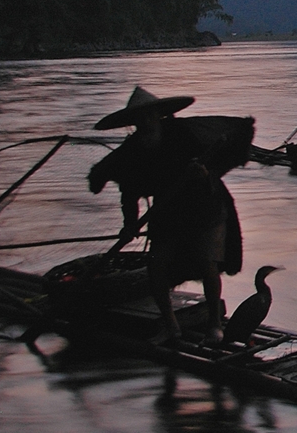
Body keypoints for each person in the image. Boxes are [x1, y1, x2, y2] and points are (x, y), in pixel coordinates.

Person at [87, 87, 254, 343]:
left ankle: (214, 324)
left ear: (159, 116)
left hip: (204, 206)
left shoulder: (184, 134)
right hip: (167, 212)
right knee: (157, 266)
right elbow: (129, 189)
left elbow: (218, 158)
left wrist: (205, 172)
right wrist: (130, 224)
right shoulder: (132, 150)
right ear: (133, 122)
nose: (146, 121)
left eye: (150, 116)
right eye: (140, 118)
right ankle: (170, 324)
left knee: (208, 264)